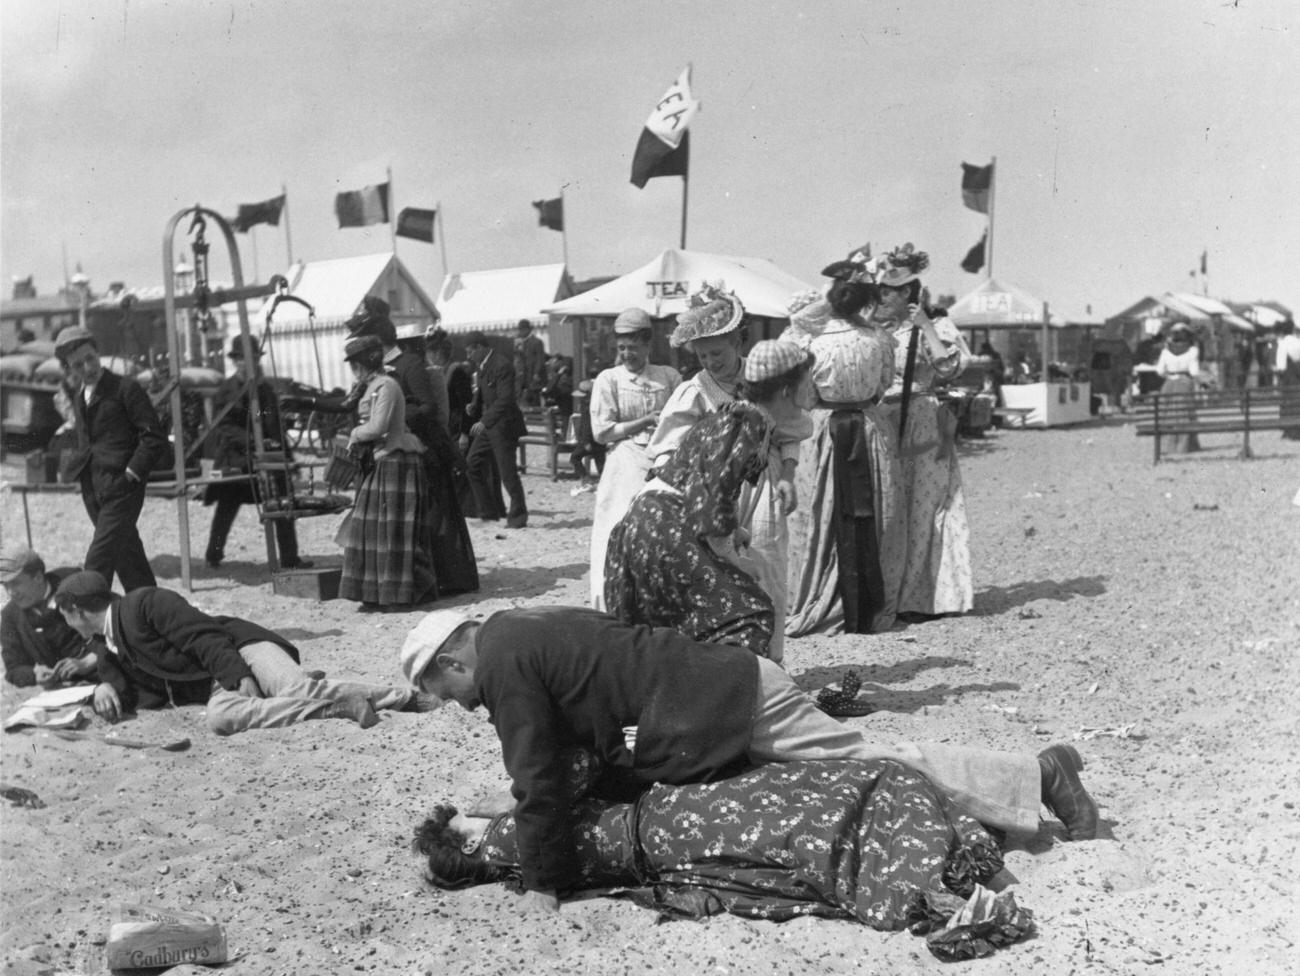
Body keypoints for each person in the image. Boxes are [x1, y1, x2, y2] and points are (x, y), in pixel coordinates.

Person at [401, 606, 1100, 912]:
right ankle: (1017, 794)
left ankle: (1039, 775)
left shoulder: (502, 666)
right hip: (726, 683)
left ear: (456, 659)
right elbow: (573, 739)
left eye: (456, 694)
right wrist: (523, 798)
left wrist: (547, 881)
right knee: (865, 767)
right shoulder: (525, 629)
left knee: (875, 763)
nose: (471, 707)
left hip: (730, 700)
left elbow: (540, 775)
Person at [414, 758, 1034, 959]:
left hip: (664, 836)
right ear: (468, 845)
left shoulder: (514, 847)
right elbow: (566, 775)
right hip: (665, 828)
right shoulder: (508, 839)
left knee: (791, 806)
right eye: (459, 821)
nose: (468, 810)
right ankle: (934, 859)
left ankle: (920, 830)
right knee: (797, 813)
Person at [604, 341, 815, 657]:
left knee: (676, 623)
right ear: (786, 391)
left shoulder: (747, 416)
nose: (812, 388)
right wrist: (739, 560)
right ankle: (741, 689)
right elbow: (708, 507)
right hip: (664, 522)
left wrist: (735, 537)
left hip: (651, 521)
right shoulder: (749, 423)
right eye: (807, 381)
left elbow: (713, 492)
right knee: (748, 610)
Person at [54, 571, 436, 734]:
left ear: (76, 611)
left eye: (65, 616)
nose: (66, 625)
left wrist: (239, 676)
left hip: (243, 649)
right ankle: (339, 706)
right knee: (220, 720)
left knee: (293, 692)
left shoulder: (143, 604)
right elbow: (118, 683)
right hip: (217, 684)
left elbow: (204, 636)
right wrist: (100, 689)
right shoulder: (106, 642)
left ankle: (406, 698)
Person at [647, 285, 804, 659]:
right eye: (702, 355)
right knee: (718, 574)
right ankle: (727, 664)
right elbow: (667, 450)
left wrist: (788, 475)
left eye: (717, 352)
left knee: (767, 567)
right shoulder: (695, 391)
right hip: (714, 495)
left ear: (737, 340)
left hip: (762, 484)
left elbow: (789, 429)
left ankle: (772, 662)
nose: (711, 362)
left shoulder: (762, 378)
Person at [782, 260, 904, 636]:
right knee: (874, 510)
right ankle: (869, 602)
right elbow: (884, 385)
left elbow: (801, 393)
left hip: (823, 430)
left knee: (819, 510)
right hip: (869, 429)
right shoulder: (879, 339)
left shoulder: (807, 339)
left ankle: (815, 593)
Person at [348, 303, 478, 594]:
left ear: (379, 343)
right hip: (395, 447)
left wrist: (393, 416)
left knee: (436, 514)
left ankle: (452, 579)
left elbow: (428, 406)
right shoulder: (378, 372)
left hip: (423, 444)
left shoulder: (410, 364)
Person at [875, 244, 974, 619]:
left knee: (924, 506)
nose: (881, 297)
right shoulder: (876, 328)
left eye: (889, 290)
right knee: (890, 506)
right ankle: (888, 591)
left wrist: (927, 328)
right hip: (882, 421)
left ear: (908, 293)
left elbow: (950, 368)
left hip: (920, 419)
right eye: (879, 290)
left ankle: (922, 596)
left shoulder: (936, 325)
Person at [55, 326, 167, 591]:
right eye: (77, 365)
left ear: (98, 353)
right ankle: (149, 611)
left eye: (90, 358)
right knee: (128, 556)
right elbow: (87, 442)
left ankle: (86, 622)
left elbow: (153, 436)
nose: (87, 367)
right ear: (70, 369)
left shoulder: (126, 389)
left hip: (122, 486)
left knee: (99, 559)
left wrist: (133, 472)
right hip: (92, 488)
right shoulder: (80, 397)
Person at [586, 308, 681, 608]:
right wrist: (643, 421)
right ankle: (615, 598)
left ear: (648, 345)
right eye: (622, 348)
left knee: (663, 528)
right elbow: (602, 432)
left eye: (634, 347)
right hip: (624, 458)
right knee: (618, 523)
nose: (627, 354)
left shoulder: (668, 376)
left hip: (663, 457)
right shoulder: (609, 379)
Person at [338, 335, 438, 610]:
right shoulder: (371, 386)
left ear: (363, 363)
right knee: (371, 530)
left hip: (396, 462)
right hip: (381, 462)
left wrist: (353, 435)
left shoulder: (388, 386)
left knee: (392, 533)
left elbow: (378, 426)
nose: (353, 370)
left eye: (355, 364)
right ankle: (374, 592)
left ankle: (397, 594)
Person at [201, 338, 309, 570]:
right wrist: (252, 441)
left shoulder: (266, 390)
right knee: (226, 510)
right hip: (237, 459)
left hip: (269, 459)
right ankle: (214, 553)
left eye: (254, 360)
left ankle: (290, 557)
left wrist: (287, 458)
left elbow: (276, 427)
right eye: (244, 360)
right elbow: (225, 428)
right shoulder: (226, 391)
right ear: (236, 362)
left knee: (282, 505)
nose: (250, 364)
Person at [1, 548, 96, 687]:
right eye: (5, 586)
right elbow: (13, 668)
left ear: (38, 577)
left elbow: (113, 632)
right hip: (66, 691)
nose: (10, 593)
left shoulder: (74, 584)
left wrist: (87, 662)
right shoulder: (11, 615)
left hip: (105, 675)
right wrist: (34, 673)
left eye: (15, 583)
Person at [464, 331, 529, 528]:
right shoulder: (483, 365)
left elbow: (506, 400)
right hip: (490, 425)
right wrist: (475, 404)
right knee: (472, 464)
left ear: (480, 348)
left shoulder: (501, 365)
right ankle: (488, 510)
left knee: (507, 474)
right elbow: (486, 392)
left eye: (470, 352)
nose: (468, 356)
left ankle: (518, 517)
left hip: (504, 426)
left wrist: (484, 421)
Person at [1154, 322, 1202, 454]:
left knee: (1168, 414)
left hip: (1169, 384)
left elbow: (1159, 371)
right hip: (1185, 383)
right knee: (1185, 414)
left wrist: (1169, 375)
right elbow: (1194, 372)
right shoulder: (1193, 351)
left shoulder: (1165, 351)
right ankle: (1185, 446)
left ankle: (1169, 446)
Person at [1273, 318, 1300, 439]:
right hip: (1298, 377)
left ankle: (1289, 431)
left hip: (1289, 378)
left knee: (1287, 404)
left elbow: (1281, 366)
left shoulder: (1283, 343)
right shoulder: (1298, 341)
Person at [513, 319, 547, 406]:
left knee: (534, 399)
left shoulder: (536, 342)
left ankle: (536, 417)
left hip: (532, 375)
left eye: (523, 330)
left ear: (528, 330)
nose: (521, 332)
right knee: (522, 399)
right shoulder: (519, 342)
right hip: (521, 376)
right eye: (520, 330)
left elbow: (540, 359)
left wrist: (537, 373)